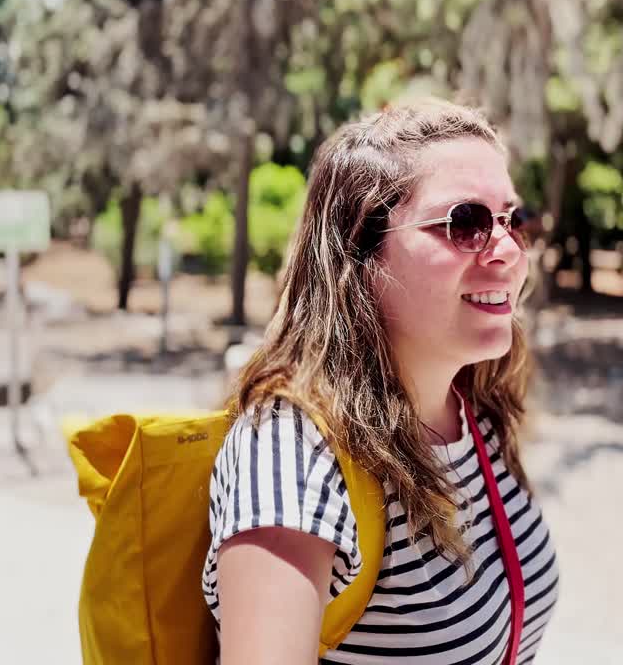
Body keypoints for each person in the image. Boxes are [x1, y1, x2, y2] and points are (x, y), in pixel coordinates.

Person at [204, 99, 559, 663]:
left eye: (513, 219)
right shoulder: (290, 453)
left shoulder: (476, 410)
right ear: (359, 255)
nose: (510, 252)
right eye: (465, 223)